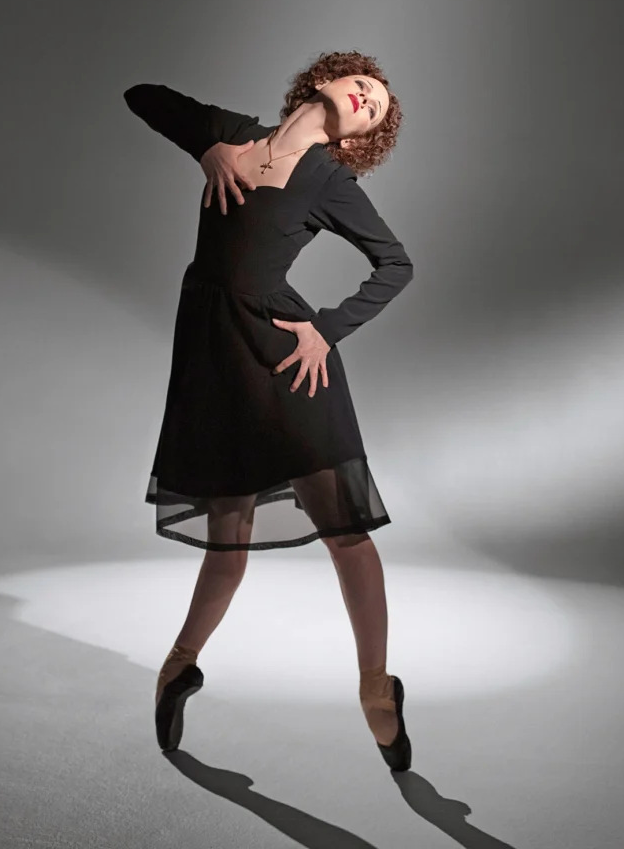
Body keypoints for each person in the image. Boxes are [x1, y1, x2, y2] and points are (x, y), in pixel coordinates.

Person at [123, 50, 414, 770]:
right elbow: (142, 93)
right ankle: (178, 667)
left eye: (373, 107)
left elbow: (395, 263)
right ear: (326, 79)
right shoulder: (232, 132)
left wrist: (326, 327)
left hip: (287, 362)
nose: (365, 98)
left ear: (355, 138)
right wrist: (208, 147)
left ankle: (374, 688)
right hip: (216, 358)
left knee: (344, 530)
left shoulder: (327, 179)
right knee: (229, 542)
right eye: (363, 86)